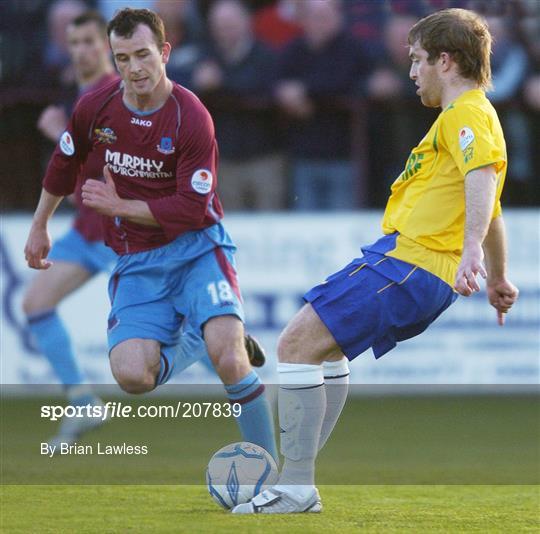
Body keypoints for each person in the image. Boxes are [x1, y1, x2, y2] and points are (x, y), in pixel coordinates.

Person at [233, 8, 519, 514]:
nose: (411, 72)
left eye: (417, 60)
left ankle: (296, 487)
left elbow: (481, 181)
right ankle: (291, 477)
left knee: (295, 344)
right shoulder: (465, 118)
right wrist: (497, 275)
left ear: (445, 61)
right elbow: (489, 200)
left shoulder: (468, 113)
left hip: (411, 264)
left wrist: (472, 249)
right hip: (404, 262)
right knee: (323, 351)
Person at [24, 8, 277, 461]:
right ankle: (200, 337)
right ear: (113, 58)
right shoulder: (95, 107)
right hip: (137, 259)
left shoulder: (190, 115)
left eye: (143, 55)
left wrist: (119, 206)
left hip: (198, 249)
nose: (134, 68)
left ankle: (269, 475)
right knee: (131, 376)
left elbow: (189, 208)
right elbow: (63, 164)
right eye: (123, 58)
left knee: (229, 358)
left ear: (164, 52)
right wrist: (41, 224)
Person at [23, 10, 118, 448]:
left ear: (106, 46)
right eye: (73, 42)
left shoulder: (113, 92)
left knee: (183, 321)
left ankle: (244, 380)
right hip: (87, 229)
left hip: (122, 231)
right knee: (36, 302)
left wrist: (60, 132)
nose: (80, 50)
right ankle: (82, 401)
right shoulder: (77, 92)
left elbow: (111, 164)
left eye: (88, 42)